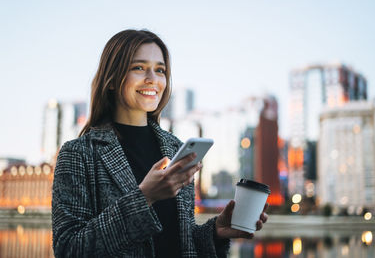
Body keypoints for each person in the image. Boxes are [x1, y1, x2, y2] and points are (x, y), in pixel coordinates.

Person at [51, 29, 269, 258]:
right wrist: (144, 197)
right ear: (112, 79)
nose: (153, 79)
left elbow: (180, 239)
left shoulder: (176, 148)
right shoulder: (78, 154)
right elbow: (69, 249)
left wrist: (215, 231)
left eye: (160, 70)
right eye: (139, 68)